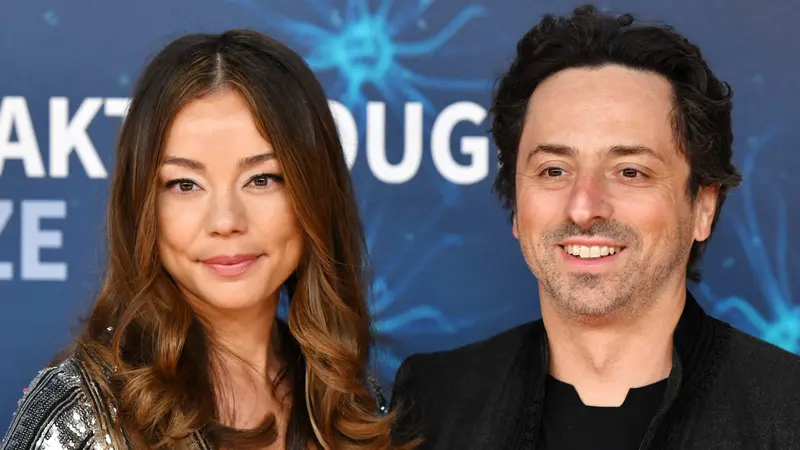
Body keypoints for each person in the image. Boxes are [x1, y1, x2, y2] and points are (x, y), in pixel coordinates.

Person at [390, 5, 800, 449]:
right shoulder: (433, 403)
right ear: (515, 203)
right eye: (553, 170)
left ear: (703, 206)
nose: (584, 207)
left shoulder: (787, 409)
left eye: (630, 172)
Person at [1, 30, 417, 450]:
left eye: (262, 179)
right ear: (142, 205)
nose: (225, 221)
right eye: (184, 184)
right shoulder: (80, 412)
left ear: (314, 192)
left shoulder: (343, 398)